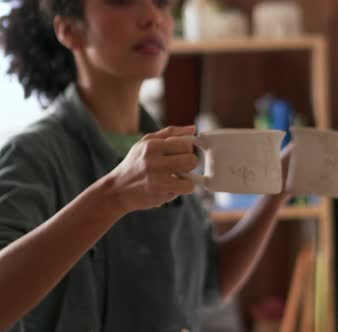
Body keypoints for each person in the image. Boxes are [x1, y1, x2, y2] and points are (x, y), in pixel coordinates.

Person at [0, 0, 292, 330]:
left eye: (163, 4)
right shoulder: (32, 156)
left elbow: (211, 281)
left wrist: (277, 191)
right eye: (122, 1)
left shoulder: (169, 146)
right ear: (69, 30)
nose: (153, 17)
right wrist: (113, 195)